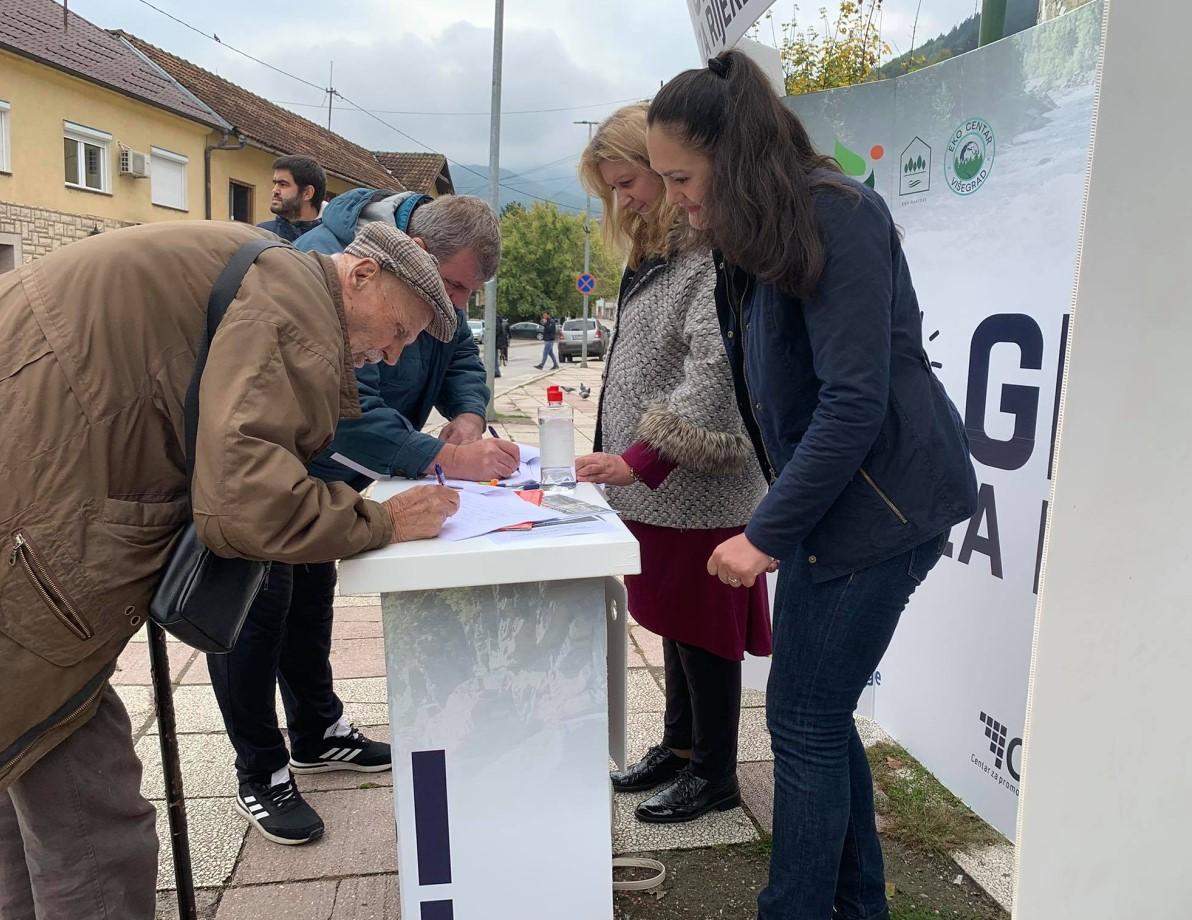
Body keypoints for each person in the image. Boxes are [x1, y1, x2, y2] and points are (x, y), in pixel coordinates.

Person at [0, 219, 461, 919]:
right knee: (89, 818)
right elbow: (246, 506)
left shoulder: (262, 268)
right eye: (397, 330)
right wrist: (384, 522)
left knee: (22, 768)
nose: (391, 355)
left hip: (33, 512)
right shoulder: (298, 303)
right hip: (33, 547)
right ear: (361, 276)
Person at [647, 51, 979, 919]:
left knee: (800, 722)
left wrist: (764, 534)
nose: (675, 198)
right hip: (837, 508)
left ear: (733, 150)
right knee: (817, 718)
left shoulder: (840, 216)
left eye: (682, 177)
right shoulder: (760, 231)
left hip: (885, 510)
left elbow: (854, 401)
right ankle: (855, 906)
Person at [202, 190, 517, 847]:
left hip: (336, 470)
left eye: (468, 294)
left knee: (311, 596)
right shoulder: (328, 273)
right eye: (454, 287)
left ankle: (317, 730)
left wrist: (466, 415)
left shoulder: (420, 281)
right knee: (258, 605)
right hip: (278, 465)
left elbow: (460, 357)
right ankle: (260, 770)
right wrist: (440, 458)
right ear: (415, 257)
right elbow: (349, 407)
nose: (457, 307)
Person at [575, 104, 770, 824]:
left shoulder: (709, 252)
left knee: (706, 632)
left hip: (698, 489)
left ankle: (715, 775)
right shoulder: (658, 256)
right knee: (674, 624)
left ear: (663, 172)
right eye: (613, 191)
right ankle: (681, 746)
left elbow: (715, 372)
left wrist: (639, 456)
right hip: (660, 491)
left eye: (629, 184)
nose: (623, 202)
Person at [258, 154, 326, 242]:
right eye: (275, 184)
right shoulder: (261, 234)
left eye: (283, 184)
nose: (274, 190)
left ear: (307, 193)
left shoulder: (336, 240)